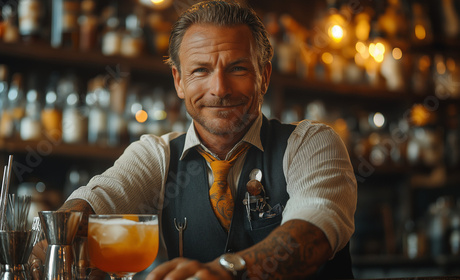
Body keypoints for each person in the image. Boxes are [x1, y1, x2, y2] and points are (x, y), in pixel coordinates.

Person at [35, 1, 357, 279]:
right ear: (178, 81)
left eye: (237, 68)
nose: (219, 88)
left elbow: (315, 226)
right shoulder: (156, 155)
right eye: (201, 70)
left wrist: (229, 271)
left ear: (265, 76)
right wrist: (60, 241)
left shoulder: (311, 143)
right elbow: (98, 198)